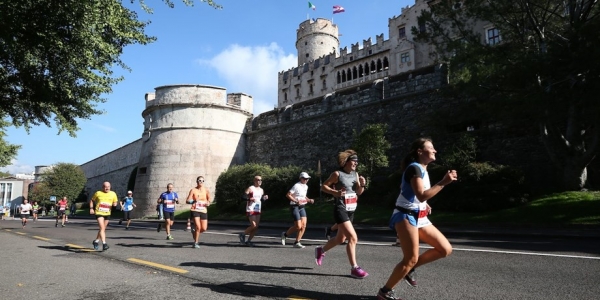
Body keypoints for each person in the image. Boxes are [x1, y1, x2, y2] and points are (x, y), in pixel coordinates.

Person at [376, 137, 458, 300]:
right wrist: (443, 182)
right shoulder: (414, 168)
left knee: (445, 249)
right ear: (420, 152)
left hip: (418, 215)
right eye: (431, 148)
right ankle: (385, 292)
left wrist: (424, 204)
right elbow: (420, 195)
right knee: (410, 258)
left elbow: (414, 194)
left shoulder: (422, 169)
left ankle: (410, 269)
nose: (435, 150)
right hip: (405, 215)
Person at [314, 150, 369, 279]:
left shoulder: (355, 174)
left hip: (351, 209)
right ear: (346, 161)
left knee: (340, 239)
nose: (356, 163)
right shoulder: (337, 174)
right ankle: (354, 268)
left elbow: (359, 192)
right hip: (340, 208)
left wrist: (362, 184)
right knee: (353, 238)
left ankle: (321, 250)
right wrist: (336, 192)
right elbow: (323, 187)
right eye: (354, 161)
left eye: (357, 161)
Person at [281, 172, 314, 249]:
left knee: (303, 226)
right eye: (305, 179)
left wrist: (309, 200)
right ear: (301, 178)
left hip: (302, 206)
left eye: (307, 179)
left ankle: (297, 242)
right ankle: (285, 235)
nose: (306, 180)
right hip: (294, 206)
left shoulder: (306, 186)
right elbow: (288, 195)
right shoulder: (296, 185)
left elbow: (303, 196)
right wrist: (296, 201)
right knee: (298, 226)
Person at [238, 175, 268, 247]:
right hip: (250, 208)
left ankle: (249, 241)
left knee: (256, 227)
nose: (260, 181)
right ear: (254, 181)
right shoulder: (251, 188)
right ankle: (243, 234)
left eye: (261, 180)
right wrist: (249, 199)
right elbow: (243, 197)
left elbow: (260, 200)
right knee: (253, 225)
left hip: (257, 209)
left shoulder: (261, 190)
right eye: (258, 180)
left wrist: (264, 198)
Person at [89, 181, 119, 251]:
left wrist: (115, 204)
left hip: (107, 213)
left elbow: (115, 202)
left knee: (102, 229)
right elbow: (92, 200)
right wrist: (91, 208)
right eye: (105, 187)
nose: (107, 188)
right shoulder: (98, 193)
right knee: (102, 227)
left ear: (110, 187)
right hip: (99, 212)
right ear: (103, 187)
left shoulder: (113, 194)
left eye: (108, 187)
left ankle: (96, 241)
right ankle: (104, 244)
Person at [185, 176, 211, 249]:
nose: (201, 182)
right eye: (200, 180)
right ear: (197, 181)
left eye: (202, 181)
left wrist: (208, 203)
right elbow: (187, 200)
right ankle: (195, 242)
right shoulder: (193, 190)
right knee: (198, 227)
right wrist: (193, 201)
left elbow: (209, 200)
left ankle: (195, 232)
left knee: (204, 228)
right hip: (195, 210)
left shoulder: (206, 190)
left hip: (203, 210)